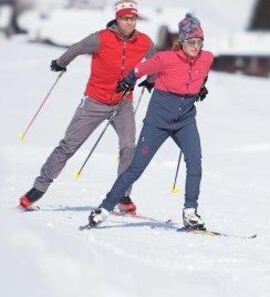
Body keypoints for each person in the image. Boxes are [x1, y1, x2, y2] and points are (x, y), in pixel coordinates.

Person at [18, 0, 156, 214]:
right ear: (117, 19)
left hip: (123, 104)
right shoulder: (101, 38)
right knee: (68, 146)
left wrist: (151, 79)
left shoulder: (145, 42)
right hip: (95, 102)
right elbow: (77, 48)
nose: (130, 22)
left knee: (129, 147)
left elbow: (154, 60)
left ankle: (123, 194)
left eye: (133, 19)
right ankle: (38, 188)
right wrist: (61, 62)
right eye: (125, 18)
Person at [86, 13, 213, 230]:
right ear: (181, 42)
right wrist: (127, 81)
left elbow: (202, 73)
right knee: (136, 168)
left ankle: (190, 211)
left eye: (200, 42)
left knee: (195, 161)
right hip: (158, 122)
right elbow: (137, 70)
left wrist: (200, 87)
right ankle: (104, 208)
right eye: (191, 41)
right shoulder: (165, 59)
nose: (196, 46)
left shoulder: (207, 57)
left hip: (185, 121)